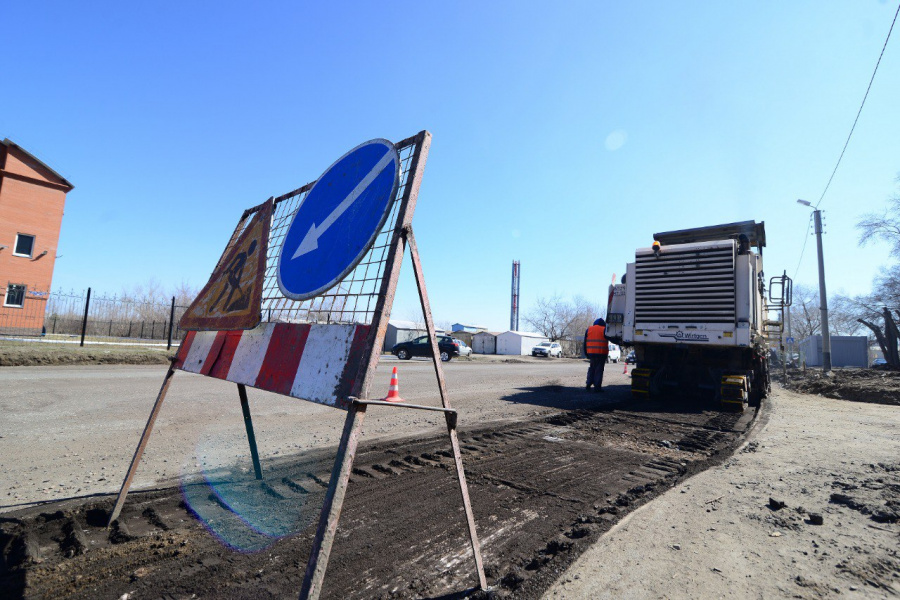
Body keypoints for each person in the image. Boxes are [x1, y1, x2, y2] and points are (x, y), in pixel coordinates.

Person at [584, 317, 609, 392]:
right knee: (599, 370)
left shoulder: (589, 329)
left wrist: (586, 353)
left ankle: (588, 384)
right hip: (601, 353)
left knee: (592, 368)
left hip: (591, 353)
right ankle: (597, 387)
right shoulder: (605, 330)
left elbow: (585, 343)